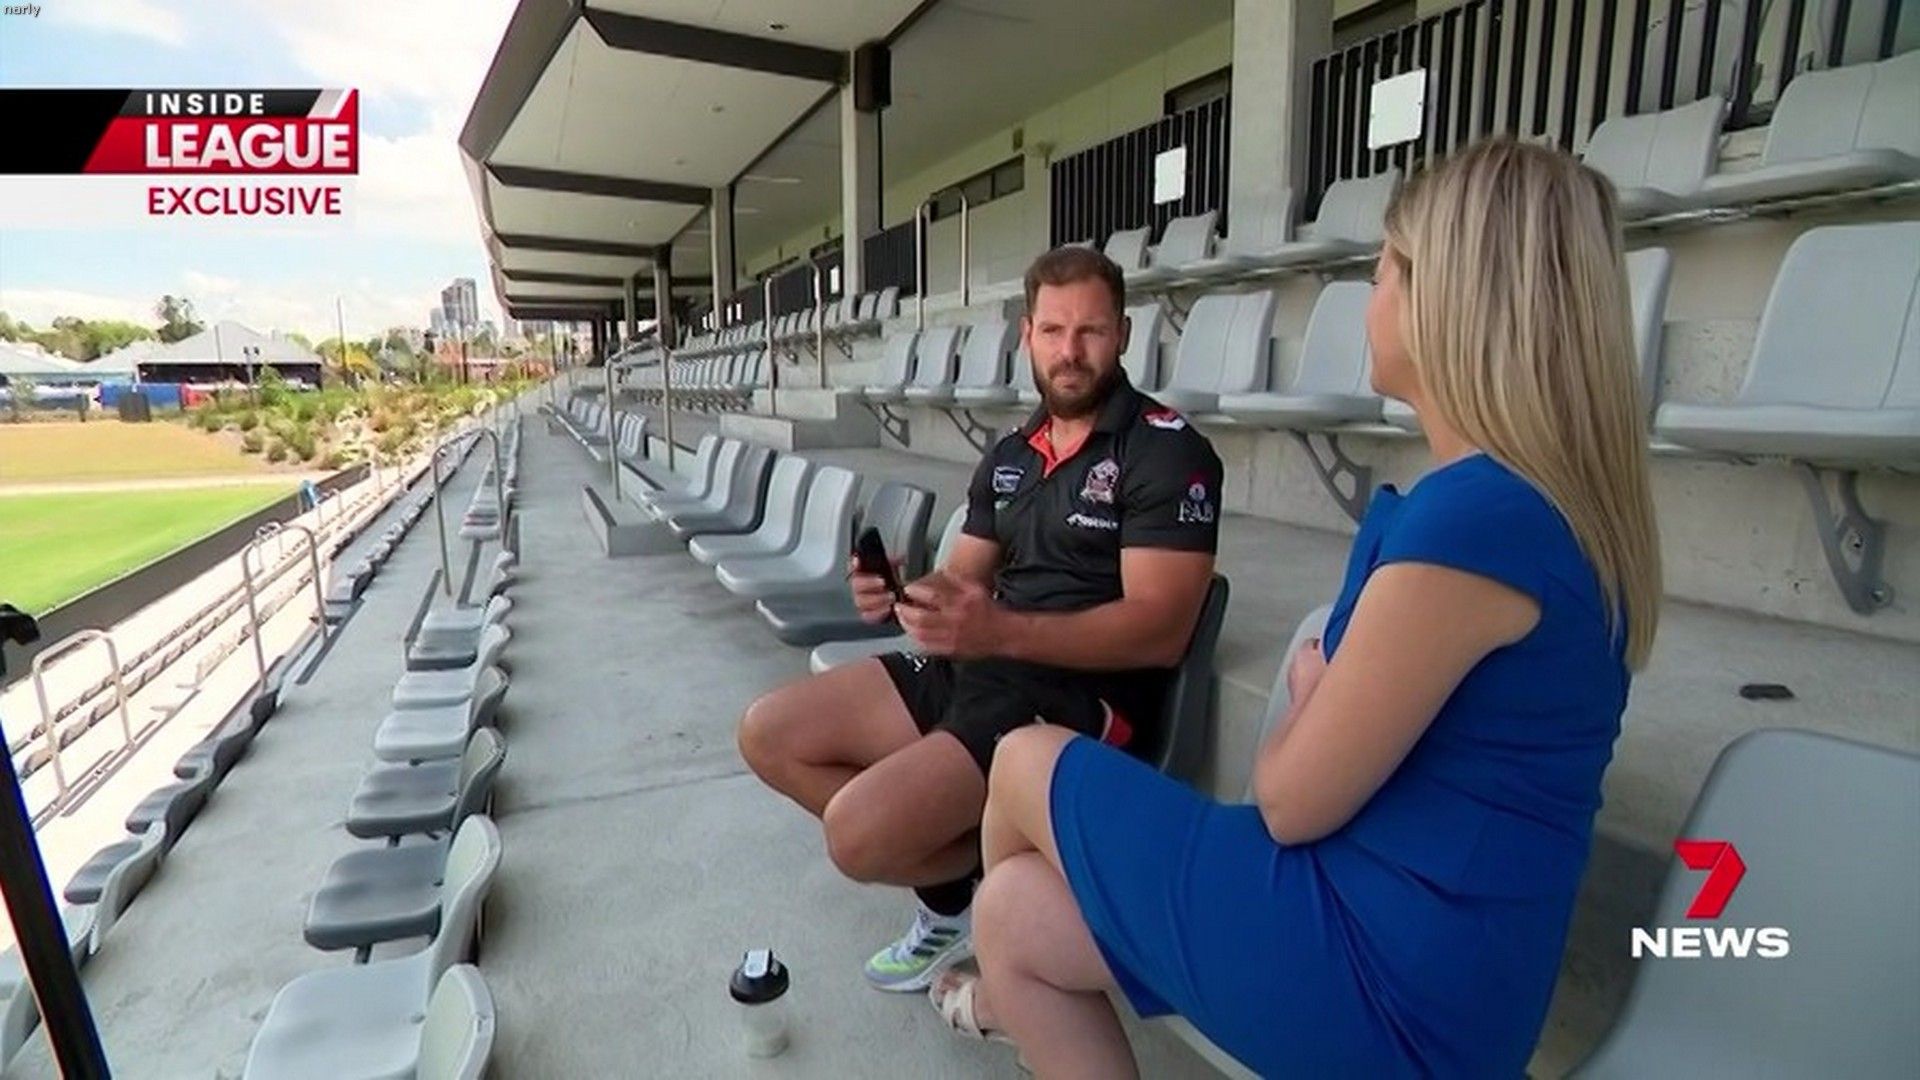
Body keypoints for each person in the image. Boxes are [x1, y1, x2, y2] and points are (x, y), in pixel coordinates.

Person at [937, 137, 1665, 1077]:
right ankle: (1001, 986)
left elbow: (1286, 803)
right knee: (1011, 914)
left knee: (1025, 756)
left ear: (1445, 301)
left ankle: (997, 991)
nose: (1371, 296)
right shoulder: (1544, 507)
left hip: (1385, 988)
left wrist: (1313, 695)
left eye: (1386, 269)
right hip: (1423, 958)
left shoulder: (1477, 521)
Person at [737, 245, 1224, 993]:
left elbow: (1162, 631)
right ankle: (958, 889)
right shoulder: (1012, 454)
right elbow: (963, 577)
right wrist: (905, 593)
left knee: (856, 834)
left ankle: (977, 871)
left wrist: (1001, 630)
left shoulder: (1167, 451)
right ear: (1027, 334)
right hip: (985, 661)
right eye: (1053, 330)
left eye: (1091, 331)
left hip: (1077, 696)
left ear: (1123, 334)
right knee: (768, 733)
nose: (1070, 351)